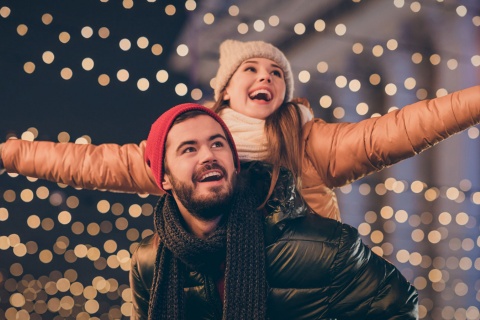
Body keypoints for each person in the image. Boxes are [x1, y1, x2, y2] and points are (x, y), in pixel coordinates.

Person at [1, 39, 479, 220]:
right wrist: (10, 154)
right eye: (251, 69)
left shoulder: (310, 142)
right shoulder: (186, 146)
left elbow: (400, 129)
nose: (265, 78)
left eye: (275, 74)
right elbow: (92, 162)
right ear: (226, 90)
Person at [129, 102, 418, 320]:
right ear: (163, 177)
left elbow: (398, 307)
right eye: (188, 149)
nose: (208, 156)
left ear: (234, 162)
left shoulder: (326, 247)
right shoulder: (148, 261)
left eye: (217, 144)